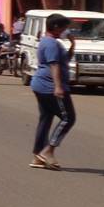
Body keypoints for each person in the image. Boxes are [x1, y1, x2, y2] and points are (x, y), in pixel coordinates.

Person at [30, 14, 75, 169]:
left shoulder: (52, 42)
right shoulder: (51, 44)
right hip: (49, 87)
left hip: (41, 85)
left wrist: (72, 44)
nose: (66, 30)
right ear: (56, 27)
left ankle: (38, 155)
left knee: (46, 117)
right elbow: (54, 65)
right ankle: (48, 150)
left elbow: (64, 60)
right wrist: (58, 87)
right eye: (64, 27)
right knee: (68, 118)